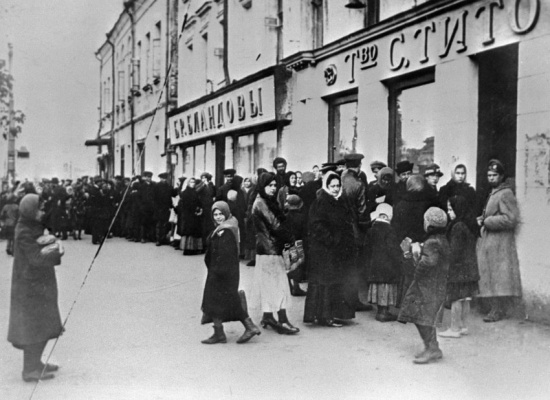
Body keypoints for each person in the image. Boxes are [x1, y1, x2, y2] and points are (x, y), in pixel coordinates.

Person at [8, 194, 65, 382]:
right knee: (34, 328)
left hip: (38, 284)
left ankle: (36, 363)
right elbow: (36, 258)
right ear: (30, 211)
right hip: (31, 287)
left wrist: (50, 243)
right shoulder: (24, 230)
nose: (42, 213)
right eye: (38, 209)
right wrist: (56, 249)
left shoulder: (31, 226)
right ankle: (29, 370)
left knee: (44, 326)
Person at [200, 201, 261, 344]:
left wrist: (217, 272)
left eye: (221, 214)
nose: (218, 217)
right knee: (215, 301)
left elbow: (225, 254)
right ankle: (219, 332)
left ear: (226, 213)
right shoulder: (227, 226)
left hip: (222, 272)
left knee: (228, 301)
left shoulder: (226, 230)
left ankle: (248, 326)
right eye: (215, 214)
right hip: (221, 271)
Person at [398, 207, 450, 364]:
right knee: (425, 317)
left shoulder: (431, 242)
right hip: (436, 286)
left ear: (429, 223)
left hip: (426, 287)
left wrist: (411, 256)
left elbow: (428, 262)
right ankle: (432, 347)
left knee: (420, 317)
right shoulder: (442, 239)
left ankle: (432, 349)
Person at [304, 171, 356, 327]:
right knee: (326, 282)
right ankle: (326, 317)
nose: (335, 188)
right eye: (332, 186)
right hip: (324, 250)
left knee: (333, 282)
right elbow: (316, 225)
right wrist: (332, 240)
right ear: (326, 186)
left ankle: (328, 315)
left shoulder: (340, 201)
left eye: (337, 185)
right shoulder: (321, 202)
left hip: (336, 250)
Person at [251, 172, 299, 334]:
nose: (273, 188)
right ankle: (283, 321)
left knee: (269, 285)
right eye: (269, 185)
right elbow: (276, 225)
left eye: (274, 185)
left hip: (268, 250)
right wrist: (290, 236)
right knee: (279, 286)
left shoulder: (265, 200)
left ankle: (268, 316)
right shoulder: (261, 203)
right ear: (262, 186)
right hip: (270, 251)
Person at [476, 159, 522, 322]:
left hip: (499, 242)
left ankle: (497, 310)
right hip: (491, 241)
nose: (491, 178)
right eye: (489, 175)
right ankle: (492, 307)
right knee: (489, 274)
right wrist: (483, 218)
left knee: (497, 276)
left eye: (494, 175)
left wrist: (487, 221)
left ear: (501, 176)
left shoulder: (506, 193)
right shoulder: (495, 192)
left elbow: (511, 219)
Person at [438, 195, 480, 338]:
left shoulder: (457, 226)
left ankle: (454, 328)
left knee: (456, 298)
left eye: (451, 209)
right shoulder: (469, 223)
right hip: (470, 267)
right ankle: (463, 326)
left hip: (458, 268)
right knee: (466, 298)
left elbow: (454, 251)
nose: (449, 212)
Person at [340, 153, 372, 312]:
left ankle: (342, 300)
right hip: (354, 230)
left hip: (339, 227)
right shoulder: (358, 184)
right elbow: (362, 211)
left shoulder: (338, 179)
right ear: (358, 166)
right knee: (354, 266)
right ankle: (353, 300)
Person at [365, 203, 402, 322]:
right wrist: (400, 258)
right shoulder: (389, 230)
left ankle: (380, 310)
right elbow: (392, 249)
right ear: (387, 216)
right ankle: (383, 312)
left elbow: (367, 248)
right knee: (386, 289)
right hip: (387, 266)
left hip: (375, 265)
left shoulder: (371, 230)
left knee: (378, 288)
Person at [283, 194, 307, 296]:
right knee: (298, 265)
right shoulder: (302, 217)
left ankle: (289, 286)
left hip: (287, 244)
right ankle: (296, 288)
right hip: (299, 243)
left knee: (287, 265)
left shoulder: (284, 217)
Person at [177, 177, 203, 255]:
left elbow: (198, 202)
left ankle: (194, 248)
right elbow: (185, 204)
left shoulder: (195, 192)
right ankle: (188, 248)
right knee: (189, 232)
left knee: (194, 231)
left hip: (194, 214)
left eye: (194, 182)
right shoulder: (185, 192)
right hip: (188, 214)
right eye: (191, 182)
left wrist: (199, 208)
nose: (193, 184)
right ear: (188, 183)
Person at [153, 173, 176, 246]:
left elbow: (173, 194)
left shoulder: (169, 186)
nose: (164, 180)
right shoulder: (156, 186)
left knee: (165, 224)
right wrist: (155, 207)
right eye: (163, 178)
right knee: (159, 224)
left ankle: (163, 239)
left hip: (166, 208)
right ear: (160, 178)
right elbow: (153, 197)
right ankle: (158, 240)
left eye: (165, 178)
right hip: (159, 208)